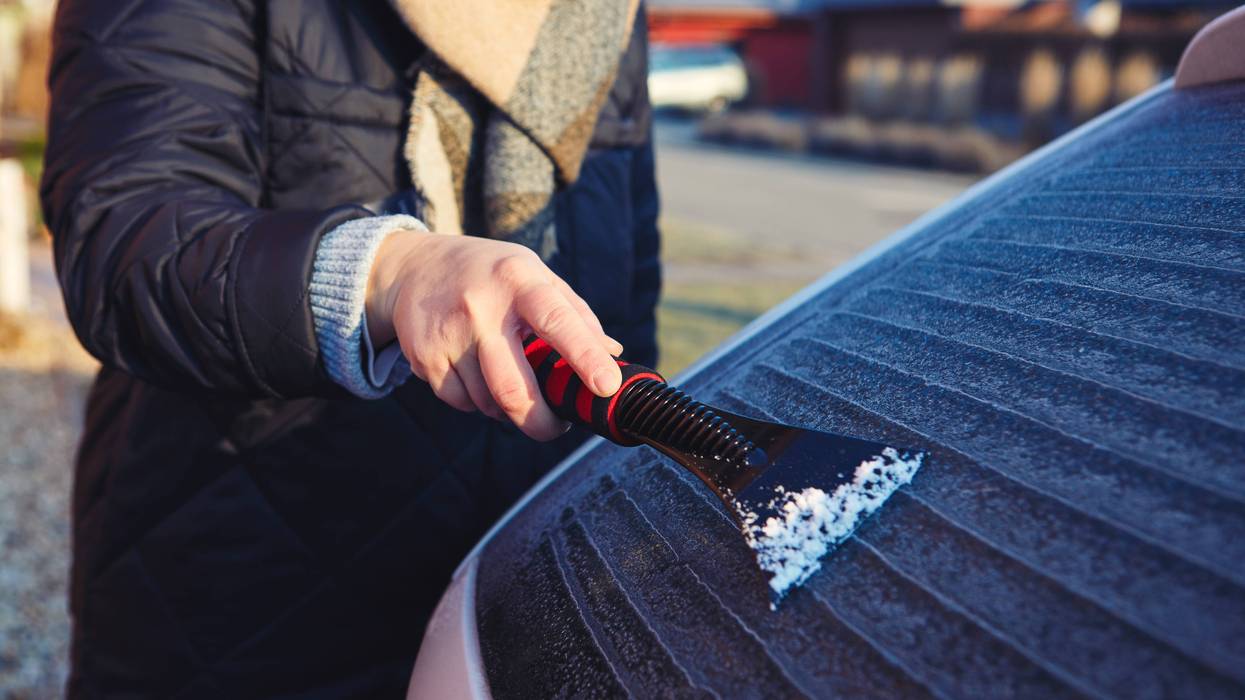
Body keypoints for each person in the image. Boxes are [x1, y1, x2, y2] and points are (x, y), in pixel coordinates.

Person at [40, 1, 659, 696]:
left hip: (524, 598)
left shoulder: (596, 10)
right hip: (252, 600)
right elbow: (128, 245)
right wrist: (392, 275)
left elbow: (626, 290)